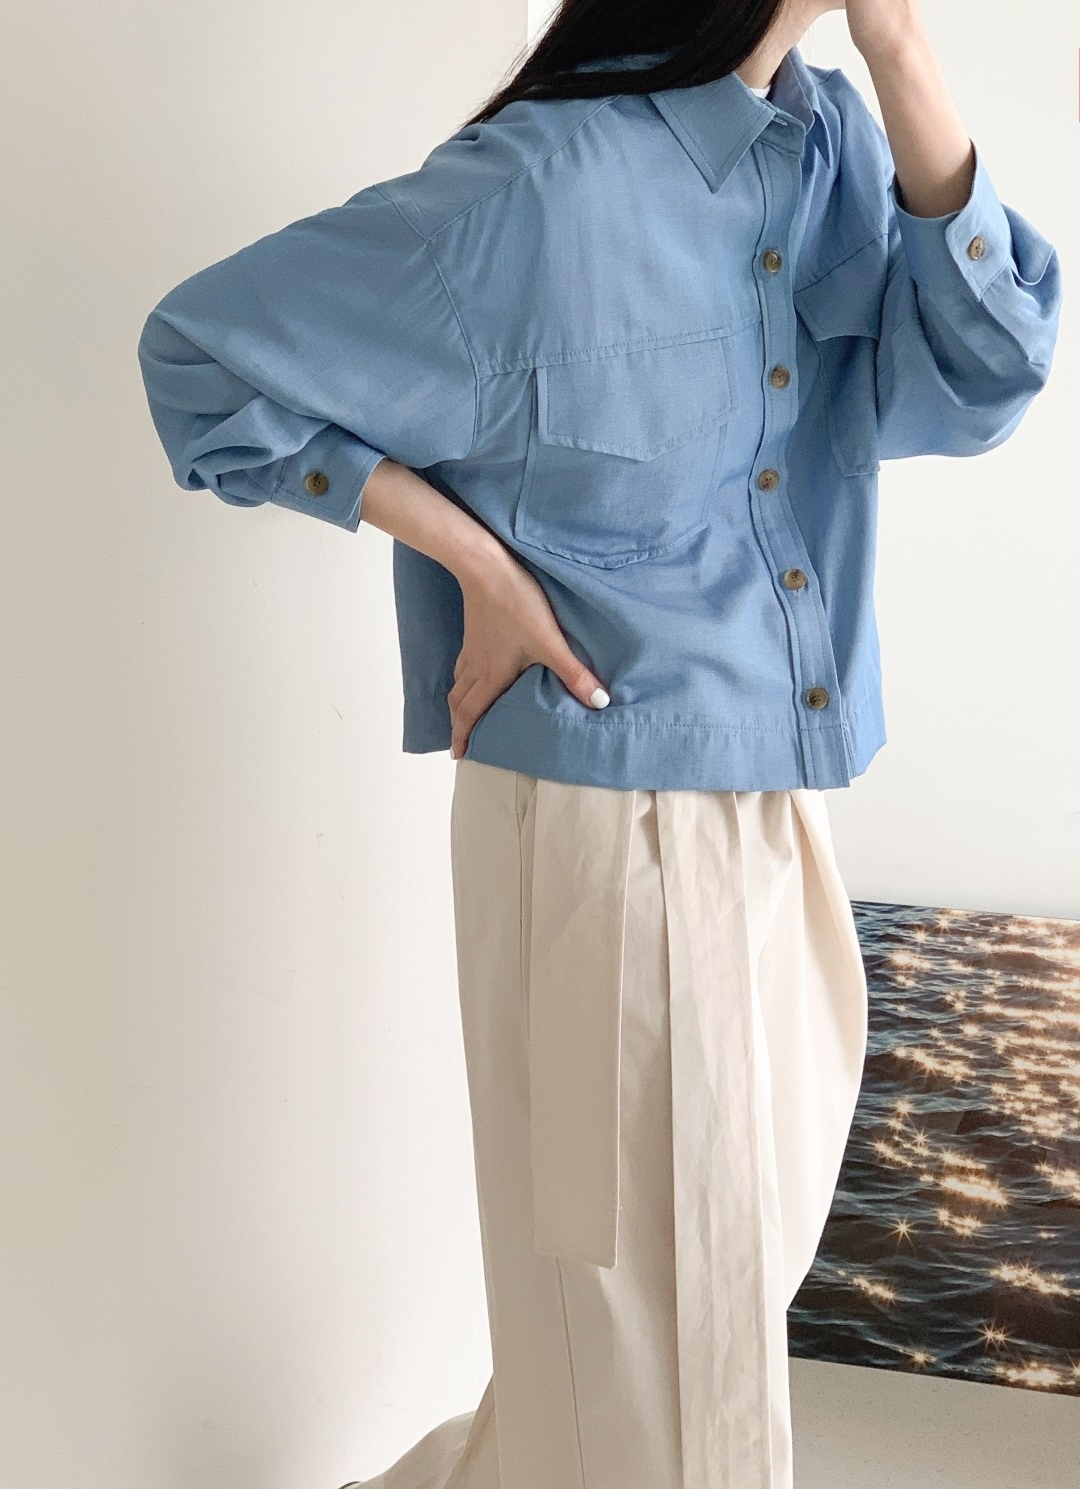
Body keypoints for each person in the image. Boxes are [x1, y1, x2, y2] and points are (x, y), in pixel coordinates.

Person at [137, 0, 1062, 1484]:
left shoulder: (824, 143)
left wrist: (899, 50)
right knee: (663, 1384)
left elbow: (988, 372)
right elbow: (200, 358)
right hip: (607, 827)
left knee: (657, 1341)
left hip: (777, 800)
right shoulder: (537, 187)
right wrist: (472, 559)